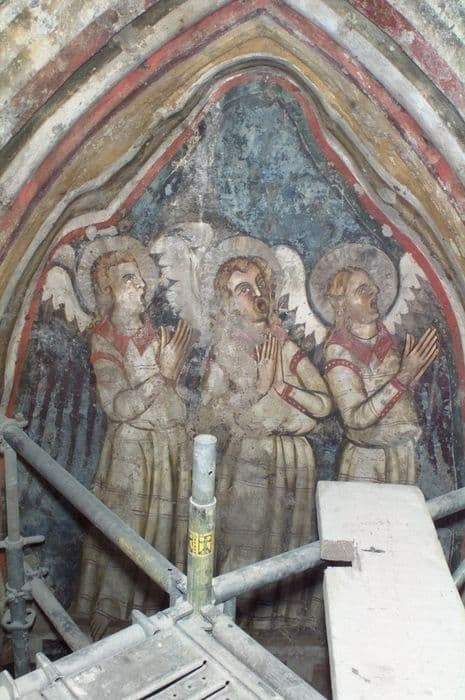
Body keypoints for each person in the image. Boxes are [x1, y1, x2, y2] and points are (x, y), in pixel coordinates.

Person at [200, 254, 332, 630]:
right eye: (244, 289)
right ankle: (230, 624)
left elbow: (323, 403)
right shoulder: (226, 350)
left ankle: (281, 625)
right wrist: (258, 390)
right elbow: (207, 417)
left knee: (289, 542)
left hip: (294, 459)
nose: (257, 294)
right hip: (250, 459)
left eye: (261, 285)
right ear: (228, 301)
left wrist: (282, 386)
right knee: (244, 542)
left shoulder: (283, 345)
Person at [73, 248, 192, 639]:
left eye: (139, 276)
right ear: (107, 289)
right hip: (132, 450)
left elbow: (174, 399)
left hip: (169, 448)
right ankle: (112, 609)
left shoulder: (159, 335)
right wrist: (163, 375)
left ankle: (159, 610)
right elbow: (118, 406)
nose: (140, 284)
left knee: (164, 531)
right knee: (127, 527)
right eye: (128, 278)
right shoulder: (104, 338)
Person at [324, 266, 438, 484]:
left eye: (373, 286)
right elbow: (355, 418)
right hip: (367, 460)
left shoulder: (387, 342)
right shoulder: (339, 350)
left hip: (402, 454)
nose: (375, 291)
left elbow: (390, 398)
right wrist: (403, 377)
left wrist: (410, 382)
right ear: (343, 304)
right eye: (363, 289)